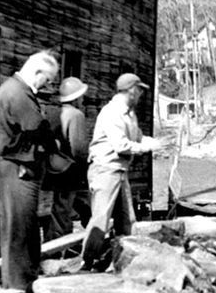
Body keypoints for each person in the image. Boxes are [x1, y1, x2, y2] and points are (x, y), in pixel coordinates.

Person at [0, 51, 60, 293]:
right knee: (20, 229)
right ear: (37, 72)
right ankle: (20, 289)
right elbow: (39, 128)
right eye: (47, 80)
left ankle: (16, 285)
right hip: (16, 168)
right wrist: (54, 145)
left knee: (14, 228)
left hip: (6, 165)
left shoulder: (9, 89)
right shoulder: (19, 94)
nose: (47, 85)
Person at [81, 73, 165, 271]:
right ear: (131, 90)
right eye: (140, 90)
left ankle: (123, 261)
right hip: (105, 169)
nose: (142, 94)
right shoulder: (113, 112)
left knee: (127, 220)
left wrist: (158, 144)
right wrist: (147, 148)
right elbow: (121, 145)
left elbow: (139, 138)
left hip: (119, 170)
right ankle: (87, 262)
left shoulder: (129, 113)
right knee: (101, 218)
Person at [43, 77, 92, 242]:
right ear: (76, 97)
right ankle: (59, 247)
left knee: (62, 208)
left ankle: (59, 244)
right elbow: (78, 148)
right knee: (64, 210)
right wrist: (85, 167)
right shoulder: (76, 115)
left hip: (55, 166)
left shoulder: (54, 113)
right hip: (71, 170)